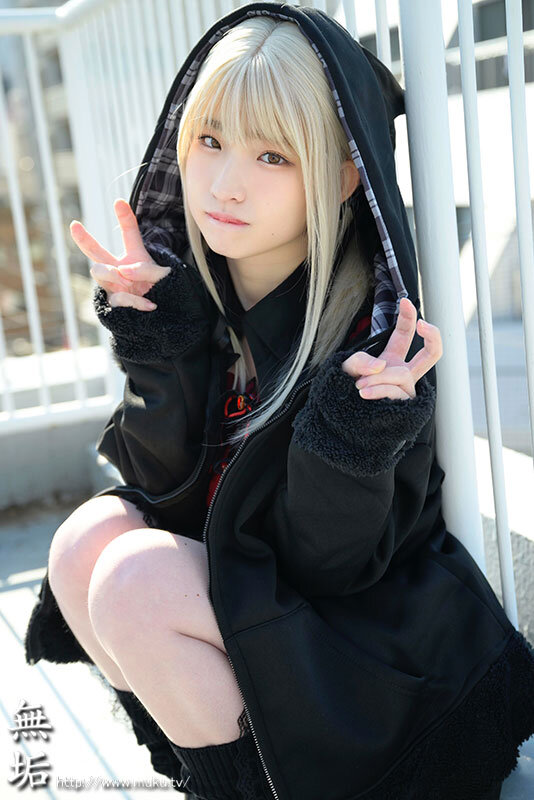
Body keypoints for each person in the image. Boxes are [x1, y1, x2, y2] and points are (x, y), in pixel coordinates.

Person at [23, 3, 534, 799]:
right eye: (210, 140)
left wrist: (356, 432)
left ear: (342, 176)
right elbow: (160, 487)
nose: (226, 183)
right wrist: (156, 341)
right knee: (86, 542)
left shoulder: (372, 344)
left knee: (133, 579)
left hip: (367, 659)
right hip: (266, 615)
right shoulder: (199, 294)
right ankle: (216, 779)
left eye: (272, 155)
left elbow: (333, 565)